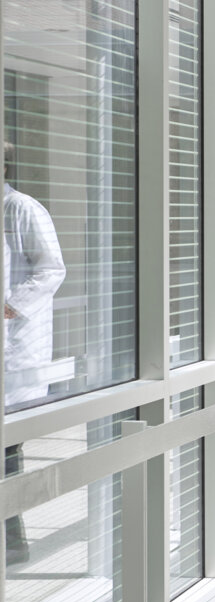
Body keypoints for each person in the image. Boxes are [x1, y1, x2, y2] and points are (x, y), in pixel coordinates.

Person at [3, 141, 67, 566]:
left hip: (15, 350)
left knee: (7, 452)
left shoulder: (22, 208)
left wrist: (10, 305)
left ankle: (13, 544)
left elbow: (51, 268)